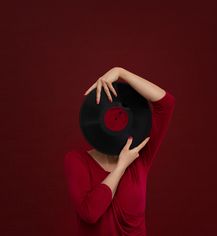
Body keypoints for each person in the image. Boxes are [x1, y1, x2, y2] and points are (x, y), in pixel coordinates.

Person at [64, 67, 176, 236]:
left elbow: (166, 104)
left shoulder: (140, 156)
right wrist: (121, 167)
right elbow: (90, 214)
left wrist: (120, 72)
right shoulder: (76, 160)